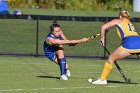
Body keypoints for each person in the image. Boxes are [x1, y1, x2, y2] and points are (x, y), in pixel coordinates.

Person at [92, 10, 140, 84]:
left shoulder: (118, 20)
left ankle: (102, 79)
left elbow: (103, 27)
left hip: (130, 43)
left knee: (111, 58)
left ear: (120, 16)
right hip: (138, 41)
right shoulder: (130, 23)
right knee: (114, 56)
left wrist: (102, 39)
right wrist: (117, 53)